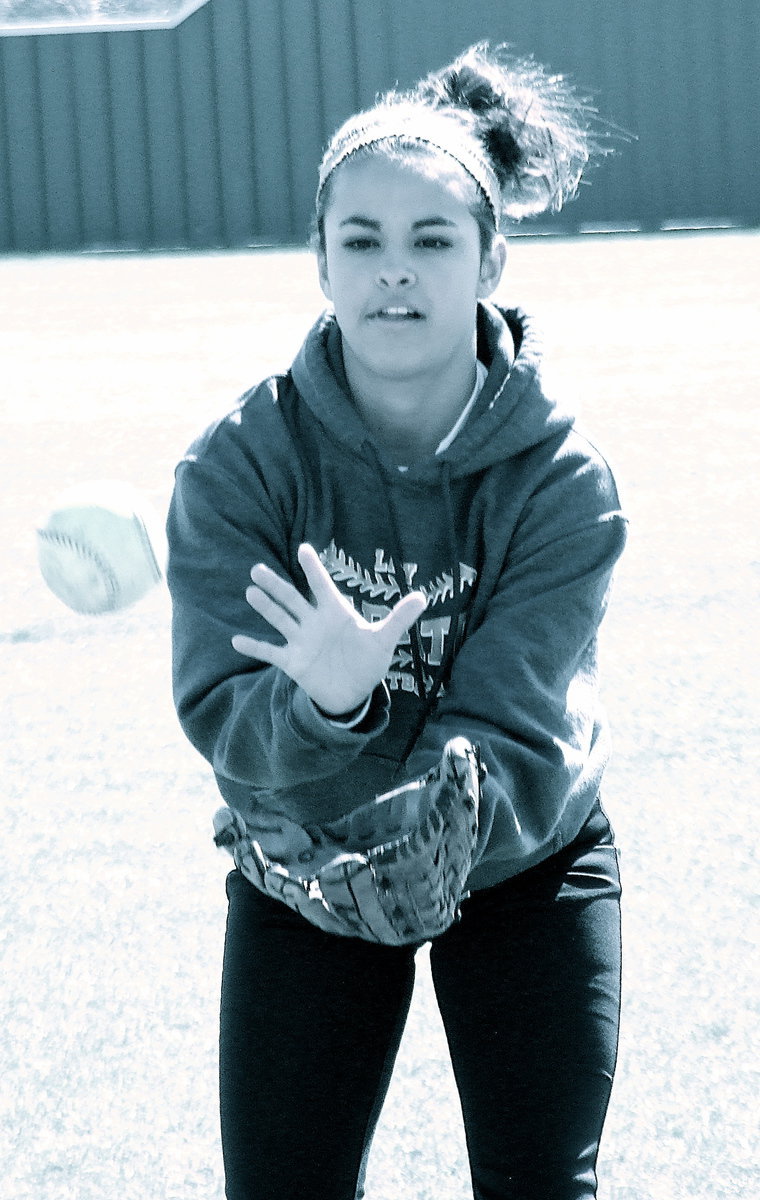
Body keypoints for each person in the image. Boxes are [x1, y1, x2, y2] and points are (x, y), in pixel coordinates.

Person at [166, 42, 628, 1200]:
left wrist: (436, 816)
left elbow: (516, 716)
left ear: (490, 256)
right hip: (307, 866)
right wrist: (329, 704)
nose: (395, 274)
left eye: (432, 241)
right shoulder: (241, 464)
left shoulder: (563, 476)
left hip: (526, 861)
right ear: (320, 259)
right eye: (360, 241)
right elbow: (222, 715)